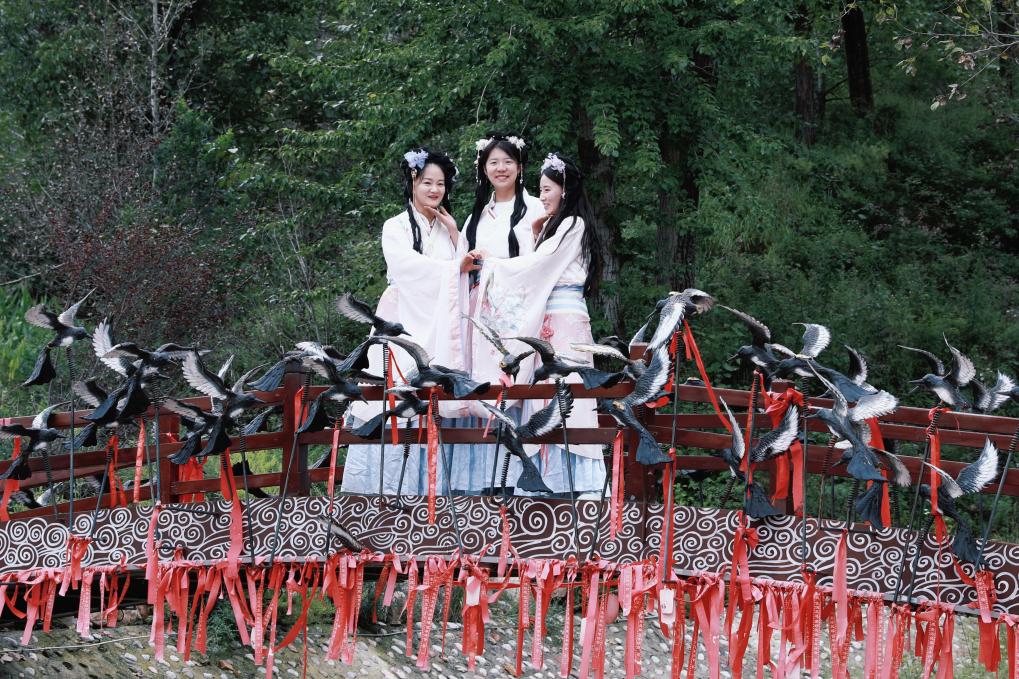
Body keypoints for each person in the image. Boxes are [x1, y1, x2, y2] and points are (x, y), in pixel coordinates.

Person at [341, 148, 477, 495]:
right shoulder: (396, 226)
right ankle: (384, 491)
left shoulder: (447, 227)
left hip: (440, 319)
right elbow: (406, 267)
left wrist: (455, 232)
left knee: (437, 391)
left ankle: (440, 491)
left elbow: (468, 269)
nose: (434, 190)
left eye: (441, 184)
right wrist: (453, 267)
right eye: (427, 182)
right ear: (413, 182)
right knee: (396, 392)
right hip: (402, 317)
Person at [471, 153, 605, 496]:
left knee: (564, 393)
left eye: (547, 189)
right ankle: (546, 480)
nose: (542, 197)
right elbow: (541, 263)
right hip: (554, 318)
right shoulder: (560, 225)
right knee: (546, 393)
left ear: (564, 189)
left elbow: (539, 266)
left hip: (565, 321)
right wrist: (536, 233)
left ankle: (571, 484)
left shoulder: (573, 224)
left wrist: (494, 264)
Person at [442, 133, 547, 495]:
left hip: (518, 311)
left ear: (520, 167)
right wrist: (466, 253)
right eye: (493, 162)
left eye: (508, 162)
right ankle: (471, 482)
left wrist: (495, 264)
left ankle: (517, 478)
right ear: (483, 168)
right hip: (479, 312)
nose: (501, 169)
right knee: (478, 382)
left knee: (512, 379)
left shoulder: (535, 209)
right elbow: (461, 261)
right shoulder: (476, 215)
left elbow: (540, 262)